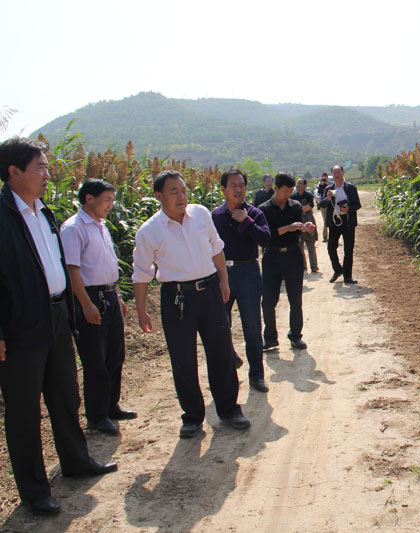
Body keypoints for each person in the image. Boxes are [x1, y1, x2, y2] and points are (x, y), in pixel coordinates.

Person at [0, 137, 117, 516]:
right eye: (41, 168)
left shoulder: (44, 212)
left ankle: (76, 461)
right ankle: (34, 490)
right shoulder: (3, 215)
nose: (48, 174)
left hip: (56, 317)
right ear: (14, 172)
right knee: (23, 410)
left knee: (66, 394)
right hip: (20, 323)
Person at [133, 170, 249, 439]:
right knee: (183, 359)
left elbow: (216, 248)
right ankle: (193, 416)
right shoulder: (149, 231)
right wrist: (141, 311)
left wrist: (223, 281)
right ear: (159, 196)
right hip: (176, 298)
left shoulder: (200, 214)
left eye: (184, 190)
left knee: (221, 351)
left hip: (209, 290)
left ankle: (229, 409)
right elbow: (141, 273)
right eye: (174, 191)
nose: (181, 196)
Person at [60, 178, 136, 436]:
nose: (110, 206)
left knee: (115, 355)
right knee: (96, 361)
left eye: (112, 201)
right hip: (90, 298)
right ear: (88, 199)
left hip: (108, 296)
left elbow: (107, 264)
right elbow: (72, 270)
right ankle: (96, 416)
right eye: (106, 200)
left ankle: (111, 405)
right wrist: (86, 304)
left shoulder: (100, 225)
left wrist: (117, 296)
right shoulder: (74, 228)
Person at [211, 169, 271, 393]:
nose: (238, 189)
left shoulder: (254, 213)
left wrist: (246, 222)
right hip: (219, 275)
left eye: (242, 185)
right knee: (219, 326)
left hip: (248, 273)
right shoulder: (214, 217)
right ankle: (230, 362)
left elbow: (265, 239)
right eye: (233, 185)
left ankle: (257, 375)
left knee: (253, 329)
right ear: (223, 189)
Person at [260, 172, 316, 351]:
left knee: (295, 299)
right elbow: (265, 236)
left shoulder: (296, 206)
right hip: (272, 257)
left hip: (293, 255)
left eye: (291, 191)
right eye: (285, 191)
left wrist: (305, 227)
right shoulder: (264, 209)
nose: (288, 194)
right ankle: (270, 338)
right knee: (268, 300)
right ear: (275, 189)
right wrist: (287, 228)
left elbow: (298, 228)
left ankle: (295, 335)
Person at [319, 165, 361, 284]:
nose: (337, 175)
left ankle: (347, 276)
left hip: (348, 222)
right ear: (332, 174)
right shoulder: (329, 189)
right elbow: (321, 204)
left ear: (343, 173)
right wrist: (327, 199)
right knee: (331, 248)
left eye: (339, 172)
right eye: (334, 172)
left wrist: (348, 209)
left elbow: (357, 205)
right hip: (335, 222)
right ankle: (338, 270)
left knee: (348, 250)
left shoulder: (351, 188)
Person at [291, 177, 319, 272]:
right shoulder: (293, 196)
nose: (298, 185)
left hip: (308, 218)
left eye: (300, 183)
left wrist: (299, 209)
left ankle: (314, 266)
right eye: (297, 183)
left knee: (311, 243)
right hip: (298, 220)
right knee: (300, 245)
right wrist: (303, 208)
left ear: (305, 185)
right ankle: (303, 266)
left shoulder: (308, 195)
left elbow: (310, 206)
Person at [315, 173, 330, 242]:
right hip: (323, 204)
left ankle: (331, 236)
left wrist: (327, 183)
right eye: (323, 178)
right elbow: (319, 193)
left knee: (330, 220)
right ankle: (325, 237)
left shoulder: (330, 184)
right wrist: (321, 183)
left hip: (330, 204)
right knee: (325, 220)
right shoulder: (320, 185)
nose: (324, 179)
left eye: (325, 178)